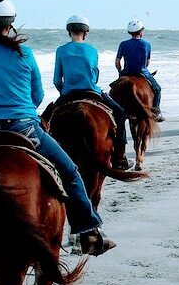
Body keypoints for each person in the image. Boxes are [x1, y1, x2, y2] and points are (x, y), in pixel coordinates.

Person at [0, 0, 115, 256]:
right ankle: (88, 230)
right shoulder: (25, 53)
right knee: (70, 173)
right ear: (9, 23)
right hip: (25, 128)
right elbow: (37, 95)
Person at [52, 14, 131, 169]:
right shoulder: (92, 50)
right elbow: (94, 76)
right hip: (91, 91)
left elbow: (56, 80)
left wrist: (64, 91)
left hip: (68, 93)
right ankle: (120, 157)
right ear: (86, 32)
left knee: (49, 121)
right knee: (120, 113)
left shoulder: (60, 50)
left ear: (69, 32)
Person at [115, 19, 164, 122]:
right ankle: (156, 113)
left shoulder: (123, 44)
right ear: (141, 31)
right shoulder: (146, 44)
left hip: (127, 72)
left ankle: (117, 113)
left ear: (130, 32)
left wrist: (120, 71)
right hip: (142, 72)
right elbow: (147, 63)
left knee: (114, 91)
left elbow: (117, 62)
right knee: (157, 89)